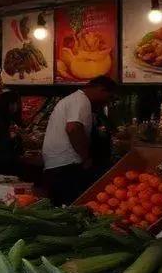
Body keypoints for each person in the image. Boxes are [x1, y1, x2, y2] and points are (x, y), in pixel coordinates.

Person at [42, 76, 118, 206]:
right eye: (109, 97)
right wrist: (86, 157)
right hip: (67, 165)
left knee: (61, 209)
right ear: (101, 89)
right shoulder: (81, 100)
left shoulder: (75, 99)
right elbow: (73, 128)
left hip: (60, 164)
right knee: (71, 208)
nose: (107, 102)